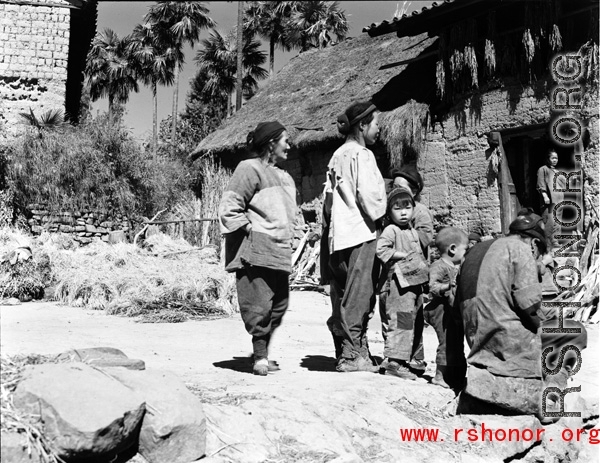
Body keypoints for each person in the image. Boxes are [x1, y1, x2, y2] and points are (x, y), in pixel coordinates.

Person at [455, 211, 587, 416]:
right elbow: (530, 307)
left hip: (477, 342)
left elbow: (455, 312)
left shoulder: (475, 251)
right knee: (574, 332)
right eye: (539, 254)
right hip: (506, 343)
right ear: (534, 244)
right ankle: (551, 395)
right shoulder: (521, 249)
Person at [218, 121, 296, 376]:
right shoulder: (250, 168)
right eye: (285, 140)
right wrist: (250, 231)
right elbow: (230, 205)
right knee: (258, 307)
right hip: (257, 252)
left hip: (280, 251)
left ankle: (260, 351)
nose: (290, 144)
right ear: (271, 143)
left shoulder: (286, 178)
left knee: (280, 306)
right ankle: (260, 356)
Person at [322, 100, 387, 373]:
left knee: (342, 296)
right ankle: (351, 356)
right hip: (360, 233)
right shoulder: (363, 155)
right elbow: (369, 195)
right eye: (375, 126)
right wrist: (383, 216)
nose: (379, 131)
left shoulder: (337, 155)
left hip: (339, 235)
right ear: (362, 126)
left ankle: (353, 351)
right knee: (360, 296)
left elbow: (326, 200)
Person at [376, 187, 429, 380]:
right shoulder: (392, 230)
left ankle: (402, 360)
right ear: (390, 213)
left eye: (407, 207)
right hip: (399, 286)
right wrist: (401, 255)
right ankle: (394, 362)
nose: (403, 212)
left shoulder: (413, 231)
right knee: (402, 320)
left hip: (413, 284)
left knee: (412, 320)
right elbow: (381, 250)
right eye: (397, 208)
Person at [389, 164, 434, 374]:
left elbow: (425, 237)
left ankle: (411, 358)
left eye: (401, 187)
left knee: (412, 317)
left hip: (412, 274)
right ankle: (397, 359)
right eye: (393, 186)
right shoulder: (391, 212)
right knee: (401, 316)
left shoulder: (420, 212)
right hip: (395, 275)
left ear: (414, 192)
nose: (394, 191)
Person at [425, 227, 468, 389]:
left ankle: (455, 375)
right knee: (446, 342)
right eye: (465, 249)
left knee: (457, 342)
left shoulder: (456, 267)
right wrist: (446, 286)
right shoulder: (439, 266)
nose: (466, 252)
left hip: (452, 311)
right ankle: (439, 376)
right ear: (452, 249)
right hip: (439, 311)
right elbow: (432, 286)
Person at [537, 150, 566, 249]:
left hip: (559, 200)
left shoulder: (557, 172)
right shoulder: (543, 169)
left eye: (556, 158)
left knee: (558, 222)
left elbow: (563, 184)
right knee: (549, 222)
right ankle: (548, 245)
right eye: (552, 158)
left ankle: (555, 242)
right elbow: (541, 184)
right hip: (549, 201)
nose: (555, 160)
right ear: (547, 159)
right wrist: (545, 195)